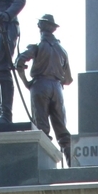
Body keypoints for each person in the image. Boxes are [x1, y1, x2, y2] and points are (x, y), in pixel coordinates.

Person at [15, 14, 73, 165]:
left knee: (41, 129)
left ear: (40, 28)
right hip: (57, 89)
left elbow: (19, 62)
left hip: (40, 86)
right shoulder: (62, 51)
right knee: (63, 132)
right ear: (53, 29)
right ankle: (72, 166)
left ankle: (44, 166)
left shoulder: (37, 47)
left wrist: (26, 82)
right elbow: (68, 80)